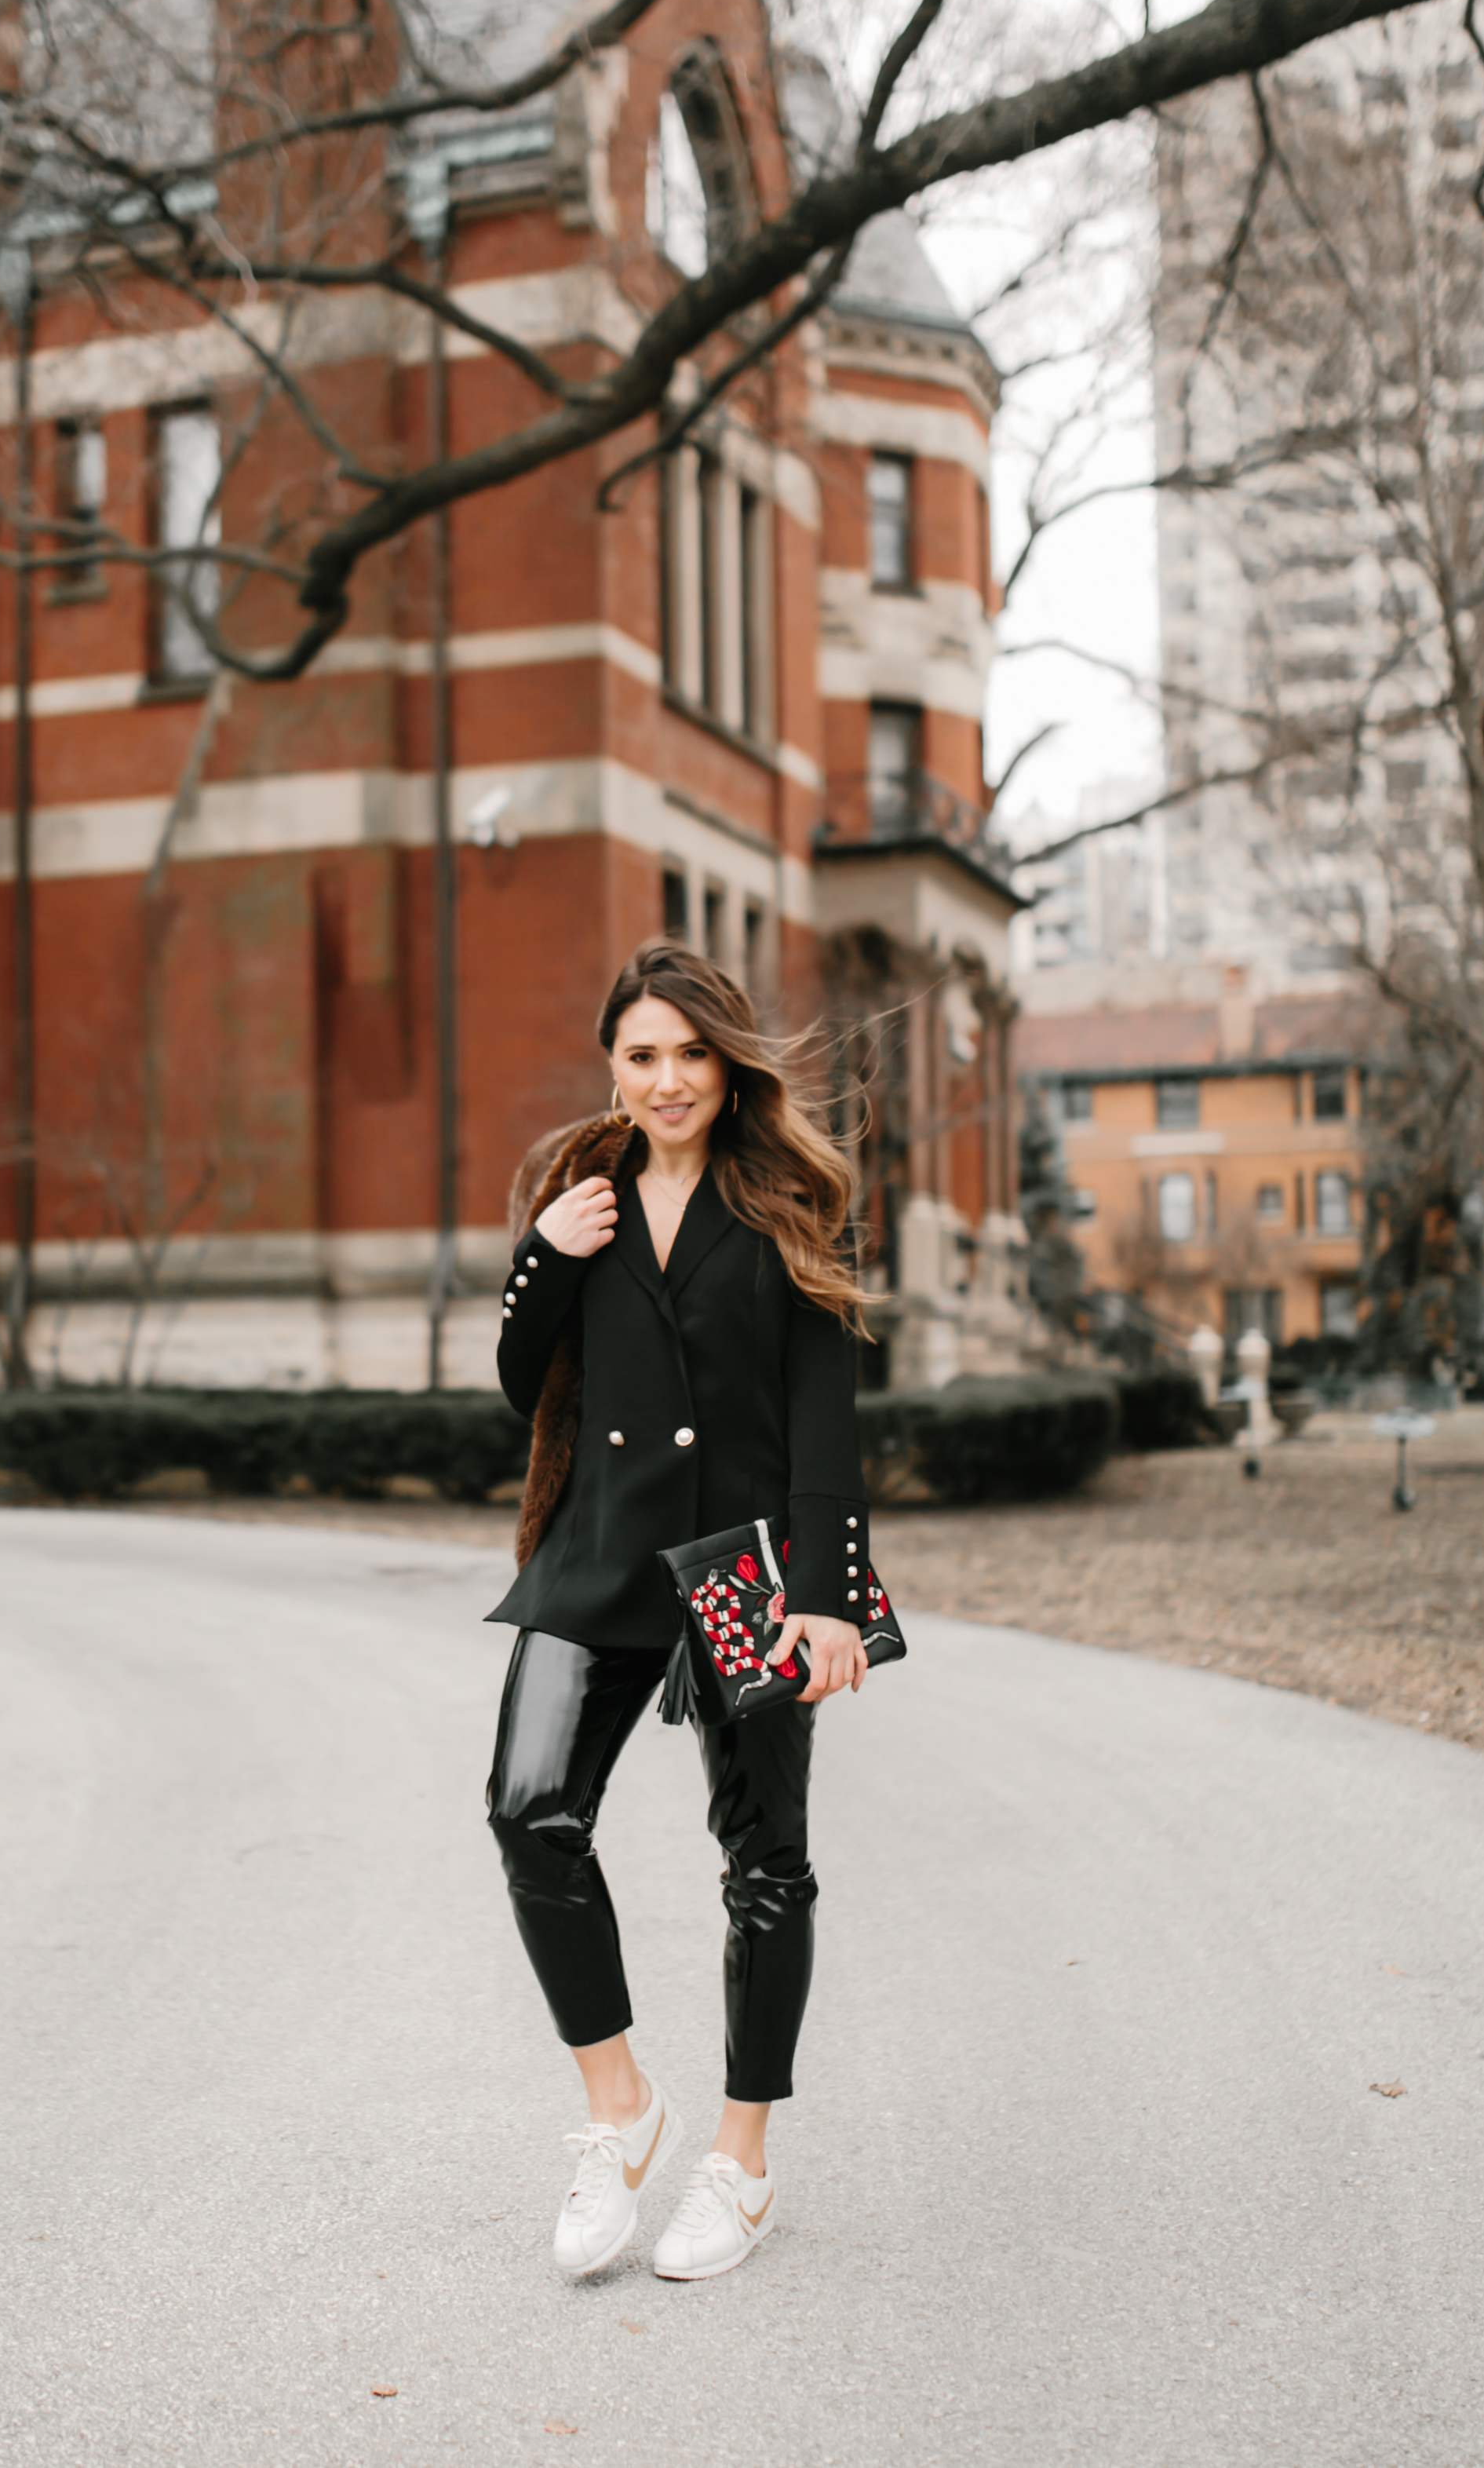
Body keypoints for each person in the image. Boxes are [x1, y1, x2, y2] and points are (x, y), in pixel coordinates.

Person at [487, 936, 873, 2283]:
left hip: (742, 1564)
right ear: (613, 1062)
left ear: (726, 1060)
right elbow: (517, 1377)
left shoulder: (782, 1200)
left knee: (764, 1866)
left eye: (689, 1053)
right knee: (526, 1806)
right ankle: (618, 2108)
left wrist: (823, 1601)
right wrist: (543, 1253)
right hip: (592, 1552)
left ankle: (740, 2163)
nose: (666, 1079)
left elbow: (824, 1416)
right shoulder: (576, 1196)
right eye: (640, 1055)